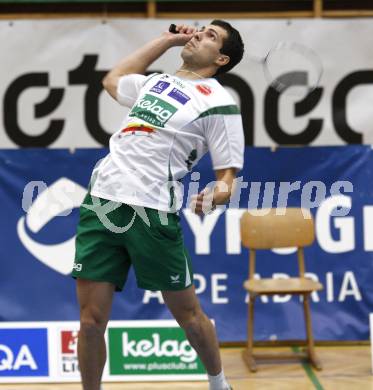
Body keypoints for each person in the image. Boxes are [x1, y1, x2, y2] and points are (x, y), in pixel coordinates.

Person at [72, 20, 245, 390]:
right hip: (102, 203)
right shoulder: (154, 82)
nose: (199, 34)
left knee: (188, 315)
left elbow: (228, 174)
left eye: (210, 36)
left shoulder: (218, 102)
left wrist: (218, 192)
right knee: (89, 321)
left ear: (222, 59)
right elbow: (112, 80)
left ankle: (219, 383)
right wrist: (166, 41)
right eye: (200, 30)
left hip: (152, 211)